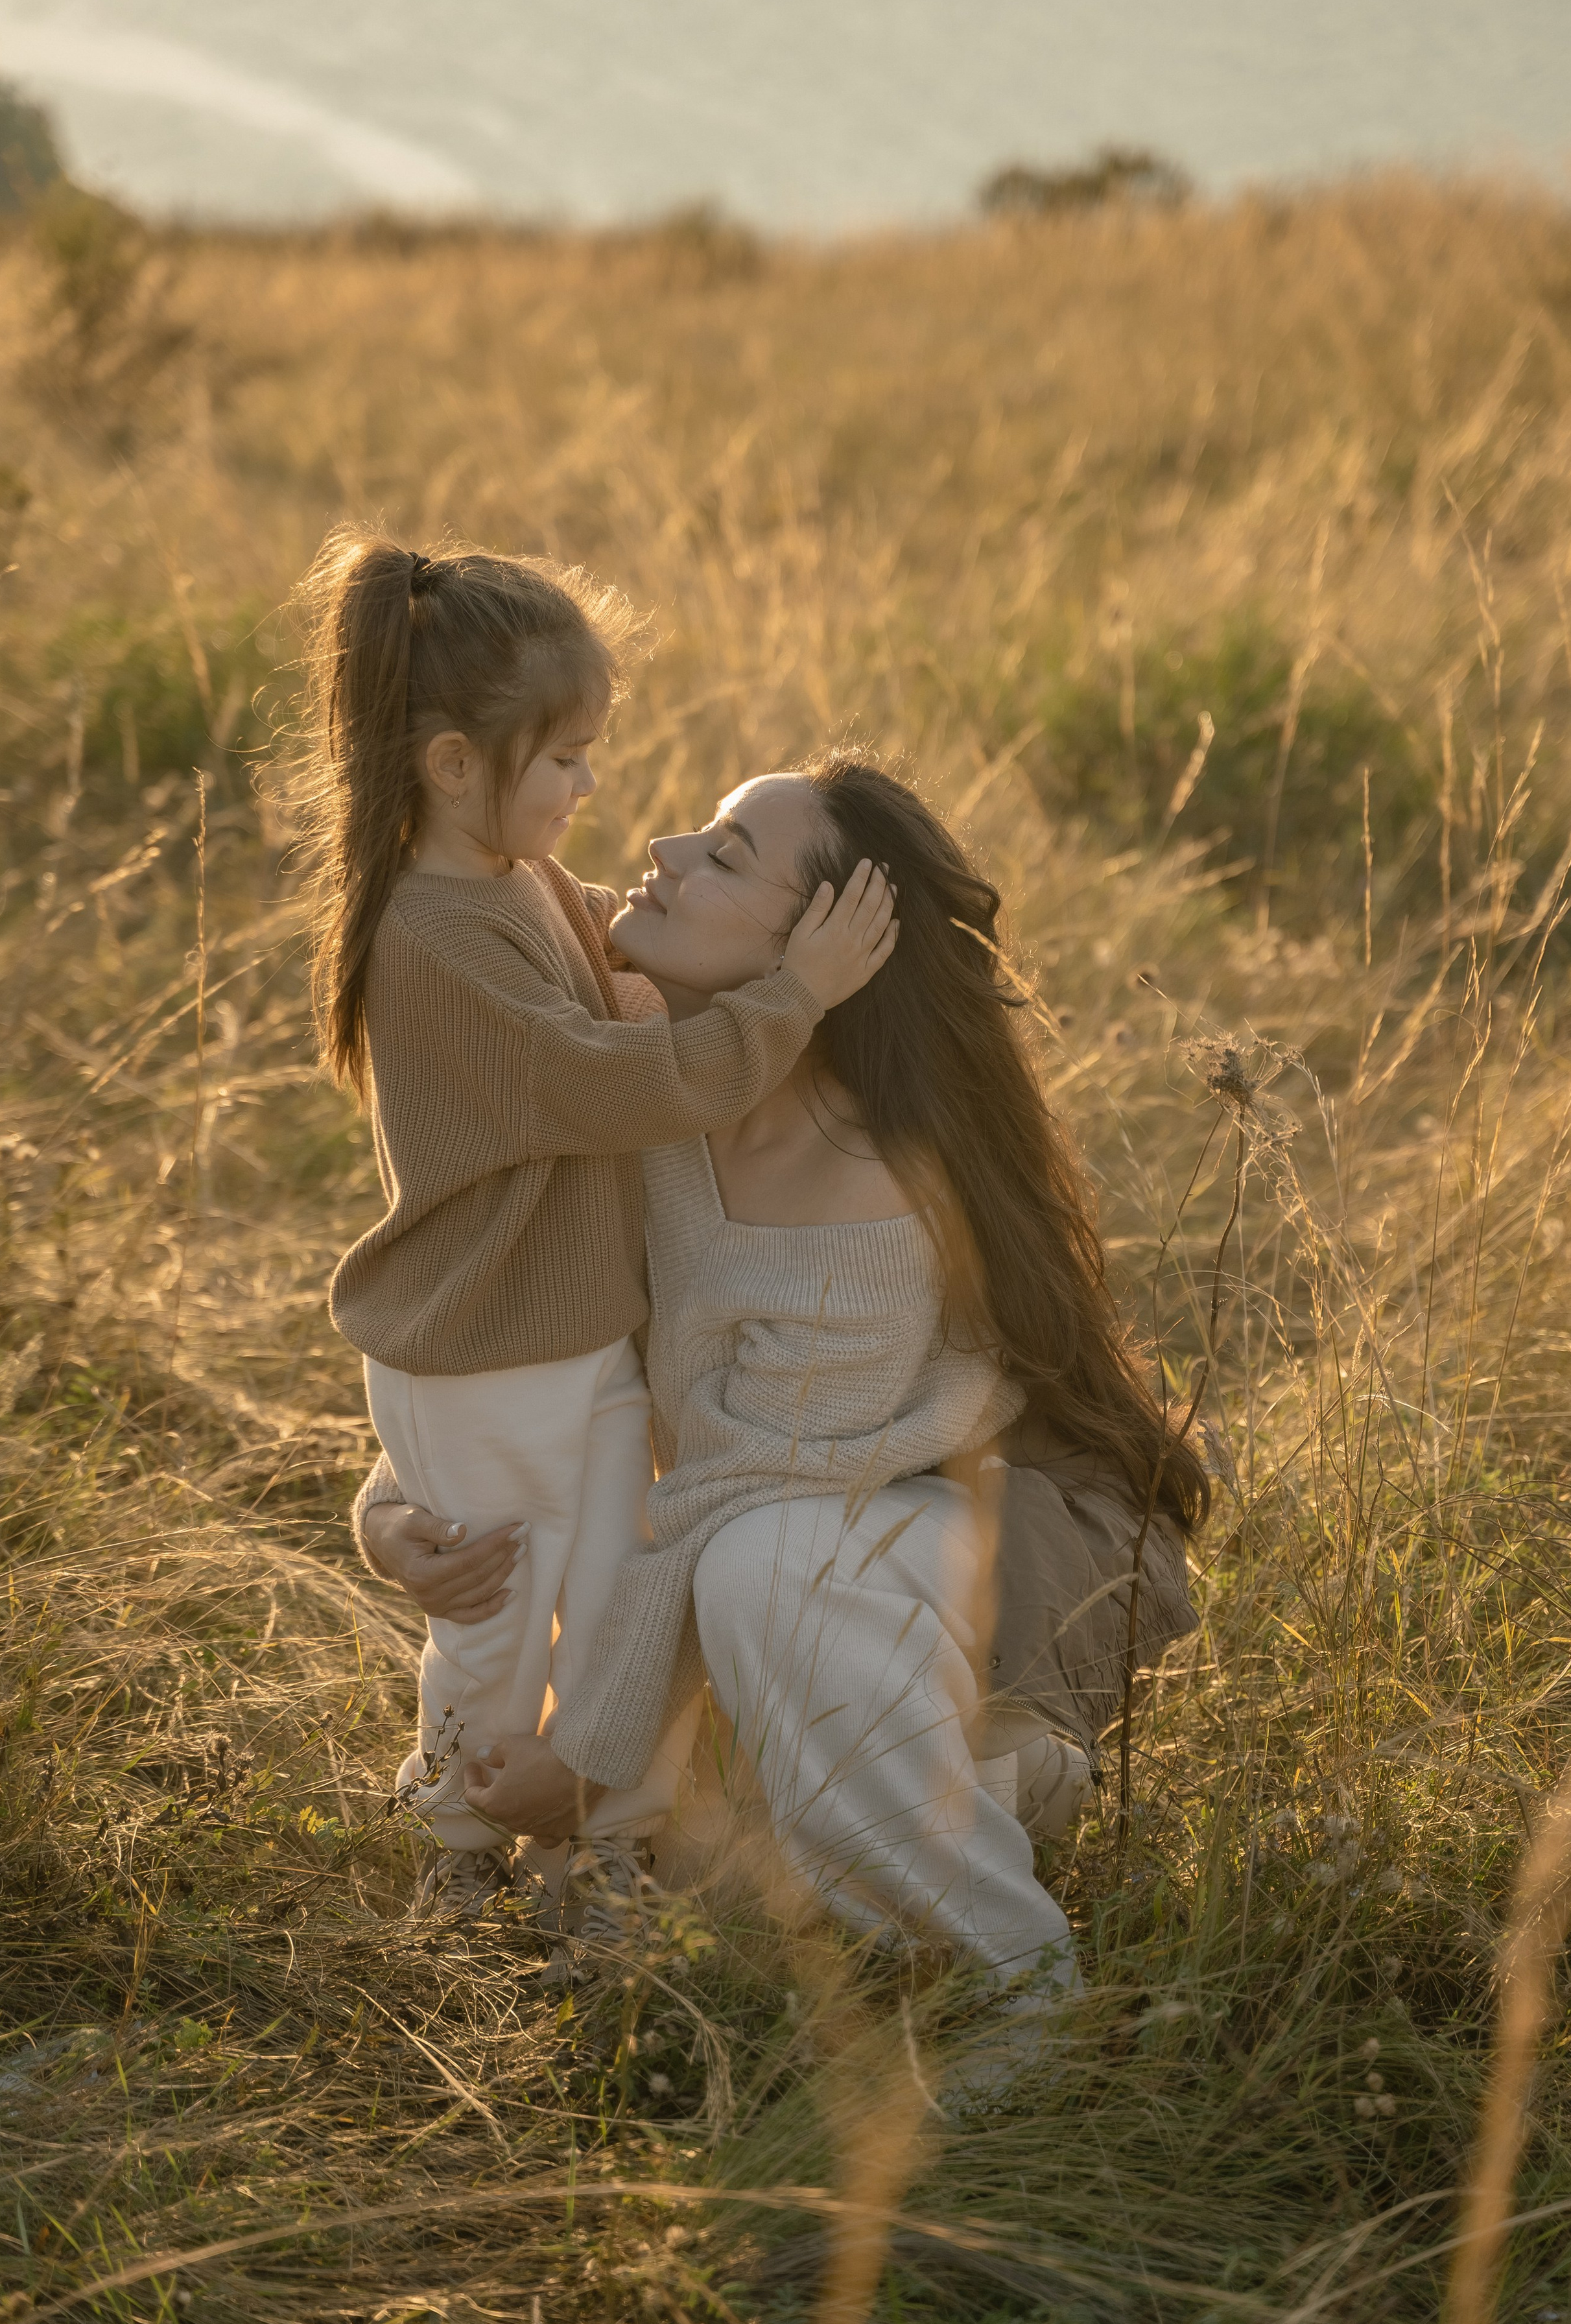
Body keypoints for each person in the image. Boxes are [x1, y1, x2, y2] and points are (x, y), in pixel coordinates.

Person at [361, 755, 1205, 1992]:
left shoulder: (869, 1190)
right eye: (705, 831)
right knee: (712, 1856)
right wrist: (396, 1508)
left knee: (772, 1573)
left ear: (826, 948)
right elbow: (518, 1308)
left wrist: (591, 1756)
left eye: (727, 854)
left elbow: (738, 1499)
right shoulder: (653, 1076)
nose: (664, 849)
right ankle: (864, 1825)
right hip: (747, 1561)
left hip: (922, 1540)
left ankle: (1019, 1978)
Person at [301, 530, 895, 1911]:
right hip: (480, 1351)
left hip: (580, 1335)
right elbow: (607, 1082)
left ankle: (610, 1844)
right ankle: (453, 1849)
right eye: (565, 758)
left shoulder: (525, 886)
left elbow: (620, 1010)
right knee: (498, 1615)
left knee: (626, 1584)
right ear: (455, 764)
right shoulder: (430, 938)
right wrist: (787, 996)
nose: (590, 787)